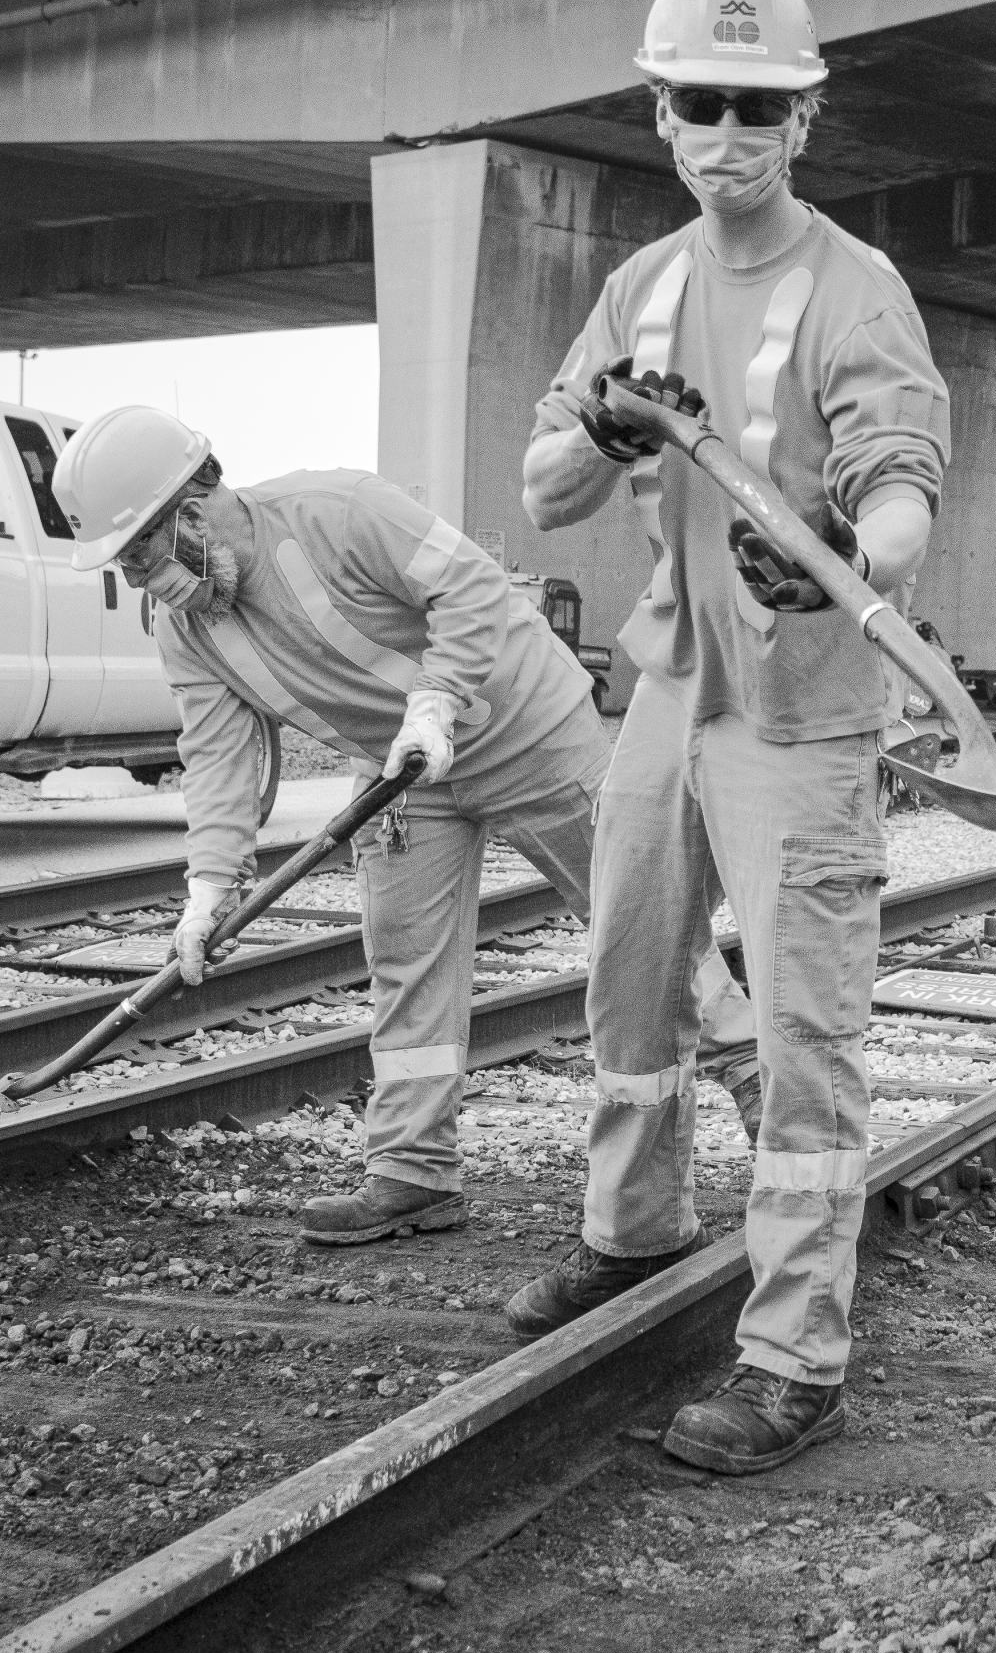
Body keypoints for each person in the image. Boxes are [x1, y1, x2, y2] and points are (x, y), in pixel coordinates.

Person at [499, 0, 951, 1478]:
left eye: (763, 107)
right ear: (665, 117)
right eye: (706, 102)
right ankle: (632, 1240)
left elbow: (900, 478)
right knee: (632, 985)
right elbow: (546, 486)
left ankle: (794, 1356)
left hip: (804, 716)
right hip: (669, 695)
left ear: (805, 123)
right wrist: (599, 419)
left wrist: (845, 564)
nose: (734, 133)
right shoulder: (644, 286)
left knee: (806, 1034)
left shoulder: (855, 288)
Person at [57, 405, 609, 1245]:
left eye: (140, 556)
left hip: (527, 729)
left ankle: (764, 1104)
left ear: (191, 510)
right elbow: (217, 757)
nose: (139, 582)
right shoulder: (187, 627)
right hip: (401, 776)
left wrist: (438, 699)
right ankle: (412, 1171)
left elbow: (469, 584)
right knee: (405, 964)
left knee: (636, 930)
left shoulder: (342, 509)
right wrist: (208, 886)